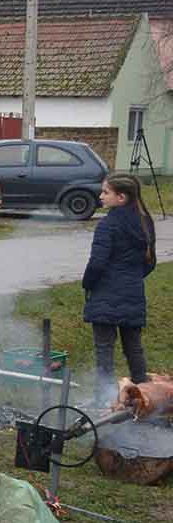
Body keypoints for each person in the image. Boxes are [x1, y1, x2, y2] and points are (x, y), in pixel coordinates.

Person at [82, 174, 158, 406]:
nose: (101, 196)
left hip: (105, 293)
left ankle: (104, 399)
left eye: (106, 192)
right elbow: (150, 262)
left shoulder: (107, 225)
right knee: (134, 348)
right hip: (133, 292)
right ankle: (145, 397)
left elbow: (97, 263)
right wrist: (131, 278)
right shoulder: (145, 221)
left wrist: (88, 283)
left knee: (104, 350)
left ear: (121, 197)